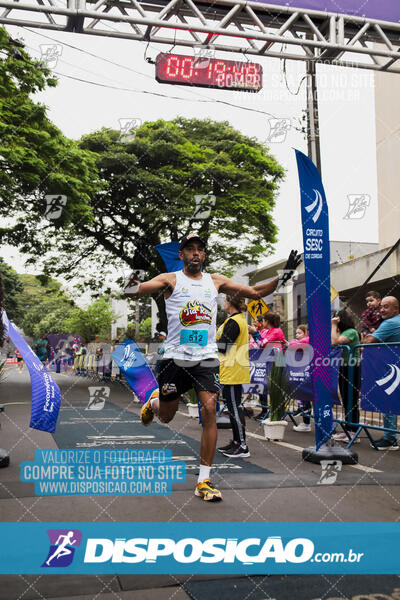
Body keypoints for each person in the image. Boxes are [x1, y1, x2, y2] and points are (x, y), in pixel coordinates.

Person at [125, 233, 301, 502]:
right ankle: (154, 402)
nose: (195, 253)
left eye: (200, 250)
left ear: (204, 255)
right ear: (181, 255)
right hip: (174, 358)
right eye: (190, 249)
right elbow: (132, 290)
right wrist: (135, 271)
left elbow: (255, 292)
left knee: (209, 408)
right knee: (167, 416)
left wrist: (284, 275)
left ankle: (204, 480)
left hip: (206, 358)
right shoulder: (169, 280)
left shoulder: (215, 281)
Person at [216, 295, 250, 458]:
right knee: (233, 407)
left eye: (225, 300)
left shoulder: (234, 322)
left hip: (233, 368)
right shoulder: (236, 319)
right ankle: (237, 442)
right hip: (232, 368)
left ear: (230, 303)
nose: (224, 303)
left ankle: (242, 445)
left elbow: (223, 346)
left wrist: (209, 342)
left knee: (234, 408)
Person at [364, 296, 400, 450]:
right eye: (382, 307)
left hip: (391, 369)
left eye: (387, 307)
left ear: (396, 309)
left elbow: (368, 342)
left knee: (388, 402)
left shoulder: (390, 323)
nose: (382, 310)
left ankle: (390, 438)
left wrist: (368, 337)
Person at [331, 310, 361, 444]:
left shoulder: (351, 332)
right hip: (344, 366)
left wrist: (333, 325)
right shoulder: (342, 332)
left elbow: (334, 342)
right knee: (346, 398)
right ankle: (349, 428)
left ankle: (353, 430)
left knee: (351, 398)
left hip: (352, 367)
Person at [289, 325, 311, 432]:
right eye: (296, 333)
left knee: (314, 398)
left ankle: (329, 427)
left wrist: (293, 343)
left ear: (306, 333)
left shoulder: (308, 340)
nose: (297, 335)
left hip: (311, 372)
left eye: (299, 333)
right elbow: (292, 344)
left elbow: (294, 344)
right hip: (301, 373)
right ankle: (306, 423)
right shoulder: (298, 341)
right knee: (303, 394)